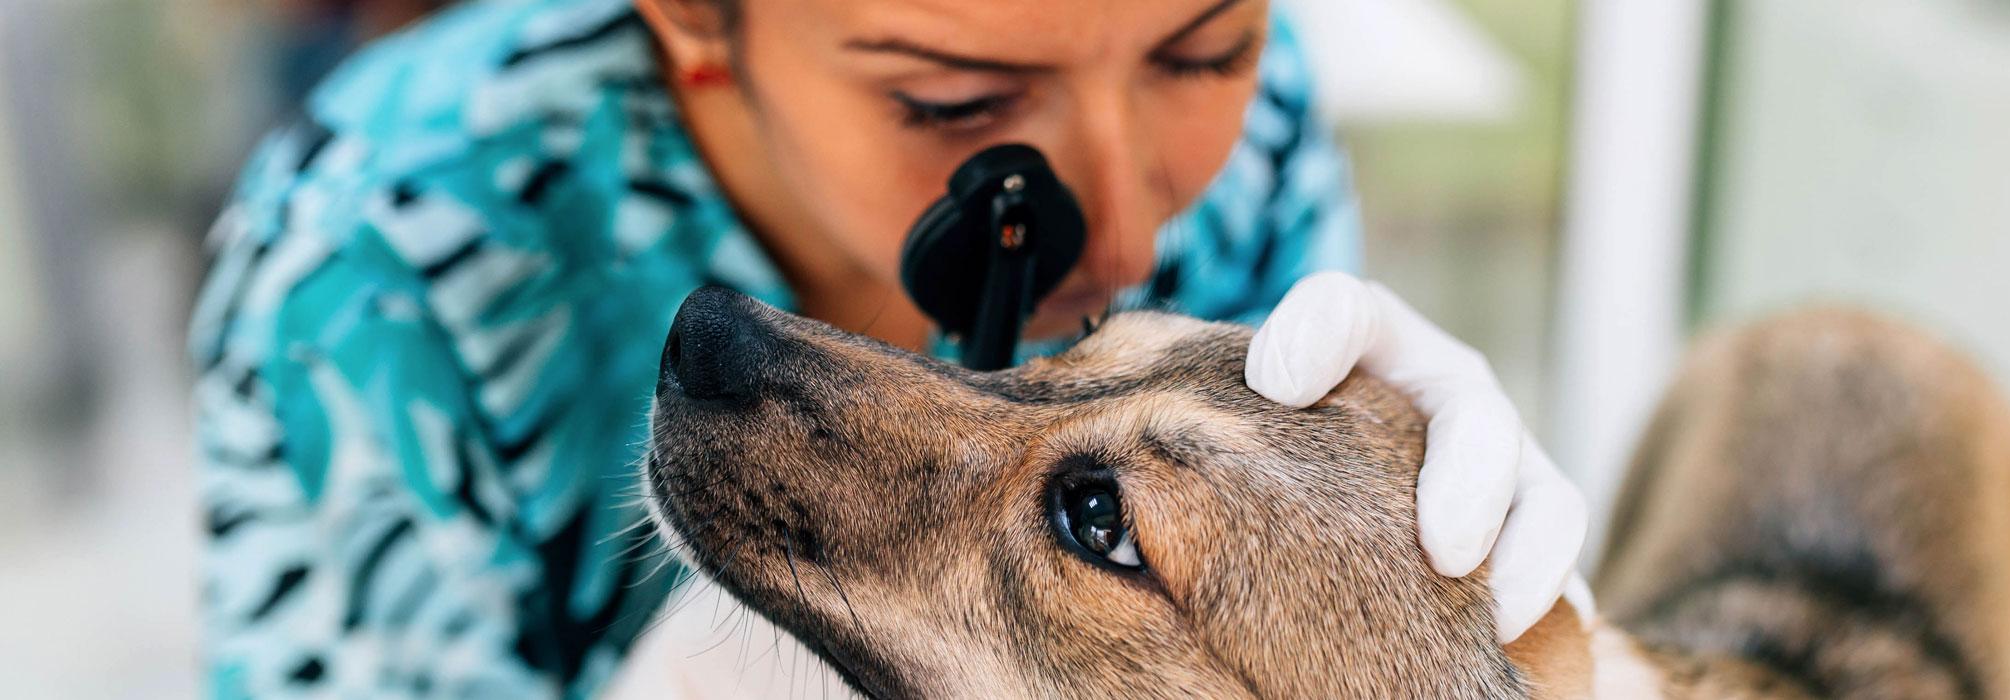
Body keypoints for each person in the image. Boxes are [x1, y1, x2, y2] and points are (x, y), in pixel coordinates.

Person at [189, 0, 1587, 696]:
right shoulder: (375, 272)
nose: (1128, 214)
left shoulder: (1260, 129)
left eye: (1201, 51)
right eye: (955, 95)